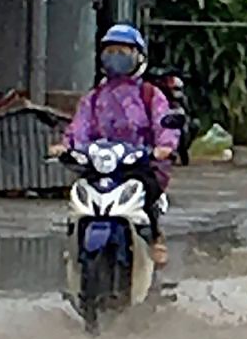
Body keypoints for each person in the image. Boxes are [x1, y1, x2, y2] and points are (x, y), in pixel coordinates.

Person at [58, 24, 179, 265]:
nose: (116, 58)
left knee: (149, 191)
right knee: (78, 195)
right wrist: (67, 146)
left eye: (123, 52)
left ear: (139, 57)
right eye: (110, 51)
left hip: (139, 164)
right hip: (99, 164)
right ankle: (74, 242)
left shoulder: (149, 94)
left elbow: (164, 124)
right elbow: (80, 126)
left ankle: (154, 237)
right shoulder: (94, 97)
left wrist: (164, 147)